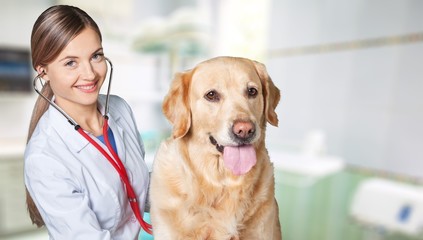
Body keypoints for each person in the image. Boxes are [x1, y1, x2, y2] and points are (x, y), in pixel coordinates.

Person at [24, 5, 151, 239]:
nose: (90, 73)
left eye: (96, 56)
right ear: (43, 71)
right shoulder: (44, 158)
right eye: (71, 62)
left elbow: (138, 187)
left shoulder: (120, 109)